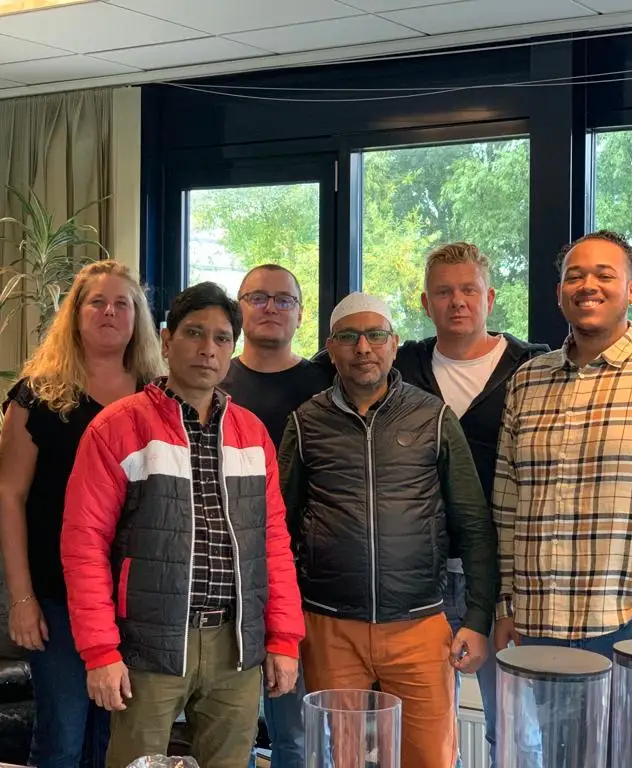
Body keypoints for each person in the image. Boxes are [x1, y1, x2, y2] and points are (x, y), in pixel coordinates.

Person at [493, 230, 632, 768]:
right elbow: (506, 506)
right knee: (563, 760)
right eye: (574, 276)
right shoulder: (528, 382)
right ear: (558, 294)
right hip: (544, 624)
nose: (587, 285)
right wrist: (508, 603)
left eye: (604, 275)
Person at [61, 282, 305, 768]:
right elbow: (84, 545)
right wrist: (101, 651)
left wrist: (283, 638)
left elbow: (273, 543)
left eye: (221, 338)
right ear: (167, 340)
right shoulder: (117, 427)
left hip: (236, 646)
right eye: (194, 333)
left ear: (231, 351)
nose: (207, 348)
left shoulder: (252, 434)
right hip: (149, 646)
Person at [280, 291, 497, 768]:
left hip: (418, 625)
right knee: (344, 759)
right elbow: (280, 530)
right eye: (348, 337)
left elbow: (473, 523)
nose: (363, 348)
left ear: (394, 343)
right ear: (330, 348)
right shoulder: (306, 422)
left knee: (430, 757)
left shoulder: (432, 417)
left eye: (375, 335)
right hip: (330, 626)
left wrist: (478, 618)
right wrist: (282, 623)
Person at [0, 260, 165, 768]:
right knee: (62, 739)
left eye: (122, 304)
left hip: (138, 599)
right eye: (97, 302)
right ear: (75, 314)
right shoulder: (38, 395)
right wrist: (22, 598)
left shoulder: (159, 396)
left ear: (137, 317)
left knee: (118, 742)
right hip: (56, 596)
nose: (109, 312)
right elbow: (9, 497)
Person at [395, 243, 549, 767]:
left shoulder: (533, 367)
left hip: (503, 576)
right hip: (417, 575)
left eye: (468, 290)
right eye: (443, 291)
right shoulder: (401, 365)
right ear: (425, 302)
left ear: (490, 297)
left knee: (514, 729)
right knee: (424, 730)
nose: (457, 301)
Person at [221, 264, 330, 768]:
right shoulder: (212, 379)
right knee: (230, 735)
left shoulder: (326, 383)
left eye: (283, 299)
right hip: (224, 580)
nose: (270, 308)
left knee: (298, 735)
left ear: (301, 314)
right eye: (258, 297)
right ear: (239, 308)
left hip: (304, 581)